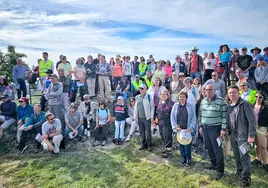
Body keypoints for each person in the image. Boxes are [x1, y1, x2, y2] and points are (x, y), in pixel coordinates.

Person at [227, 85, 256, 187]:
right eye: (230, 93)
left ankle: (246, 179)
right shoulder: (229, 106)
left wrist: (251, 135)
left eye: (234, 92)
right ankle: (239, 172)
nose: (232, 95)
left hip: (244, 137)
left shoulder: (245, 104)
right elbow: (229, 121)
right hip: (234, 136)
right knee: (237, 156)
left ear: (238, 93)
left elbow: (252, 121)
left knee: (244, 157)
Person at [199, 84, 227, 180]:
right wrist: (200, 126)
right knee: (208, 147)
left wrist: (223, 129)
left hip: (215, 128)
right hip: (205, 128)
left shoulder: (221, 101)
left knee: (217, 149)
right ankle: (214, 164)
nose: (208, 91)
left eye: (211, 89)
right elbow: (200, 115)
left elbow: (224, 116)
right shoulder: (203, 101)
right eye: (207, 90)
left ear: (214, 90)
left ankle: (220, 170)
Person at [171, 91, 196, 165]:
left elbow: (194, 117)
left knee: (187, 145)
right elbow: (172, 117)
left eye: (183, 97)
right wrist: (175, 126)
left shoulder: (190, 106)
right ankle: (183, 157)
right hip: (179, 129)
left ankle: (188, 158)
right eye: (180, 97)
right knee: (181, 144)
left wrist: (191, 127)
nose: (181, 98)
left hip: (187, 129)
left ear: (186, 98)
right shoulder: (175, 106)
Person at [134, 84, 155, 151]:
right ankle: (143, 144)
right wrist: (135, 116)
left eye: (142, 89)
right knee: (141, 132)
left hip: (147, 118)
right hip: (139, 118)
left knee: (148, 132)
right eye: (140, 89)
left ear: (146, 89)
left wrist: (151, 116)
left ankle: (149, 145)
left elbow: (152, 107)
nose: (141, 90)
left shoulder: (149, 96)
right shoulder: (137, 97)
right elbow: (135, 108)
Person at [252, 91, 268, 172]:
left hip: (262, 129)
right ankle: (258, 159)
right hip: (254, 128)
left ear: (263, 98)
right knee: (257, 145)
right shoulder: (253, 105)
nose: (258, 98)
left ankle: (266, 163)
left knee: (263, 147)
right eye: (256, 96)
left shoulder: (265, 107)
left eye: (260, 97)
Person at [156, 89, 174, 158]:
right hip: (160, 122)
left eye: (164, 94)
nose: (162, 96)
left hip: (168, 122)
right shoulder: (160, 102)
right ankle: (166, 148)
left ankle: (168, 151)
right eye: (161, 94)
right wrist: (156, 117)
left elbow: (174, 114)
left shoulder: (171, 103)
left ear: (168, 95)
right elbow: (157, 111)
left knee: (167, 136)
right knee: (162, 134)